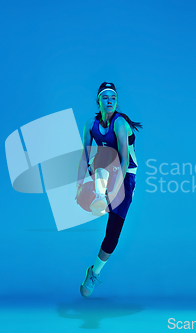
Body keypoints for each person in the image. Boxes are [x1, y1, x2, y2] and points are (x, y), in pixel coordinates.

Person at [76, 82, 142, 297]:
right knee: (100, 156)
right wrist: (78, 186)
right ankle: (97, 196)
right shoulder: (90, 125)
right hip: (105, 169)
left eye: (113, 97)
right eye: (105, 97)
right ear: (98, 101)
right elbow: (84, 157)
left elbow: (124, 160)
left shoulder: (120, 123)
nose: (110, 100)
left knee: (112, 234)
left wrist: (113, 192)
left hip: (125, 175)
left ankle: (93, 272)